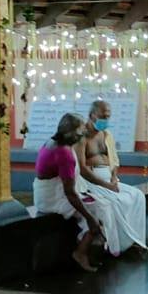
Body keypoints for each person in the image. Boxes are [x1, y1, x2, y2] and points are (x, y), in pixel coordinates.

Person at [32, 113, 108, 272]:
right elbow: (70, 193)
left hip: (44, 195)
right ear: (70, 132)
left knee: (95, 204)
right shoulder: (64, 153)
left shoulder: (51, 142)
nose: (82, 135)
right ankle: (81, 252)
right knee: (97, 210)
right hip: (53, 199)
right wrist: (90, 218)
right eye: (80, 131)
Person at [76, 100, 148, 256]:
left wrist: (114, 177)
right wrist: (106, 185)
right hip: (91, 183)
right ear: (92, 115)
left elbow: (113, 160)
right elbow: (82, 169)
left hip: (109, 179)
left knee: (138, 196)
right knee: (116, 202)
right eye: (102, 117)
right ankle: (118, 247)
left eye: (108, 117)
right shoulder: (82, 137)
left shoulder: (107, 135)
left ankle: (134, 240)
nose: (105, 120)